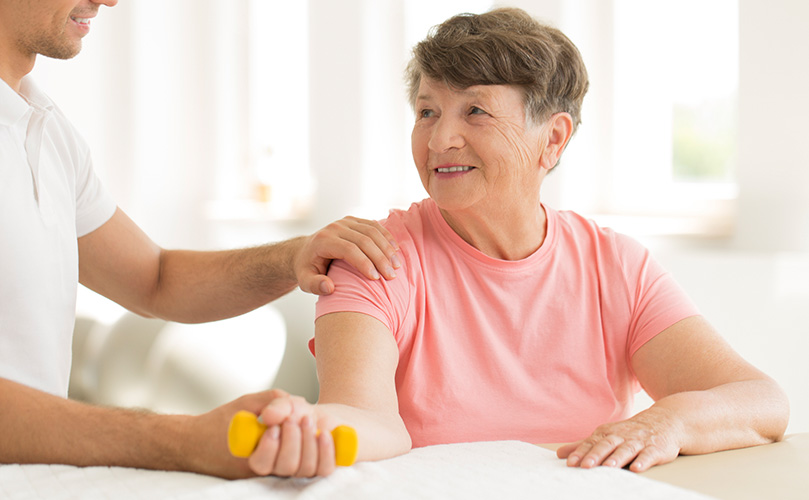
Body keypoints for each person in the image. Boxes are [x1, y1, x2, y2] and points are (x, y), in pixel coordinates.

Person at [243, 7, 790, 478]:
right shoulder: (373, 259)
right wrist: (307, 427)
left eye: (474, 111)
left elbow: (762, 401)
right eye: (427, 110)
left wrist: (666, 421)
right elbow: (367, 418)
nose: (439, 139)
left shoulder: (616, 265)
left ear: (551, 139)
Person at [0, 0, 400, 479]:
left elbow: (155, 280)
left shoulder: (46, 128)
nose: (109, 0)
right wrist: (184, 441)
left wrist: (295, 255)